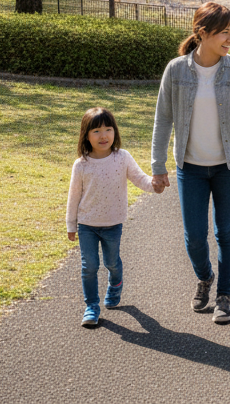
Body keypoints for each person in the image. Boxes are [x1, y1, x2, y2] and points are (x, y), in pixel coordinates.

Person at [150, 1, 230, 326]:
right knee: (194, 237)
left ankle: (224, 296)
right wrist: (158, 165)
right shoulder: (176, 70)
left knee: (226, 232)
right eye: (225, 32)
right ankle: (205, 277)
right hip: (190, 168)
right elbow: (163, 119)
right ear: (202, 32)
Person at [66, 107, 162, 328]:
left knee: (111, 262)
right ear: (86, 135)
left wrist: (154, 185)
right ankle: (92, 306)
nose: (103, 136)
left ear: (115, 132)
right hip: (87, 224)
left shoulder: (122, 157)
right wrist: (71, 224)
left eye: (108, 129)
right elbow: (74, 196)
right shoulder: (81, 164)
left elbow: (140, 178)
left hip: (112, 223)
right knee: (89, 266)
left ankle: (115, 283)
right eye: (96, 131)